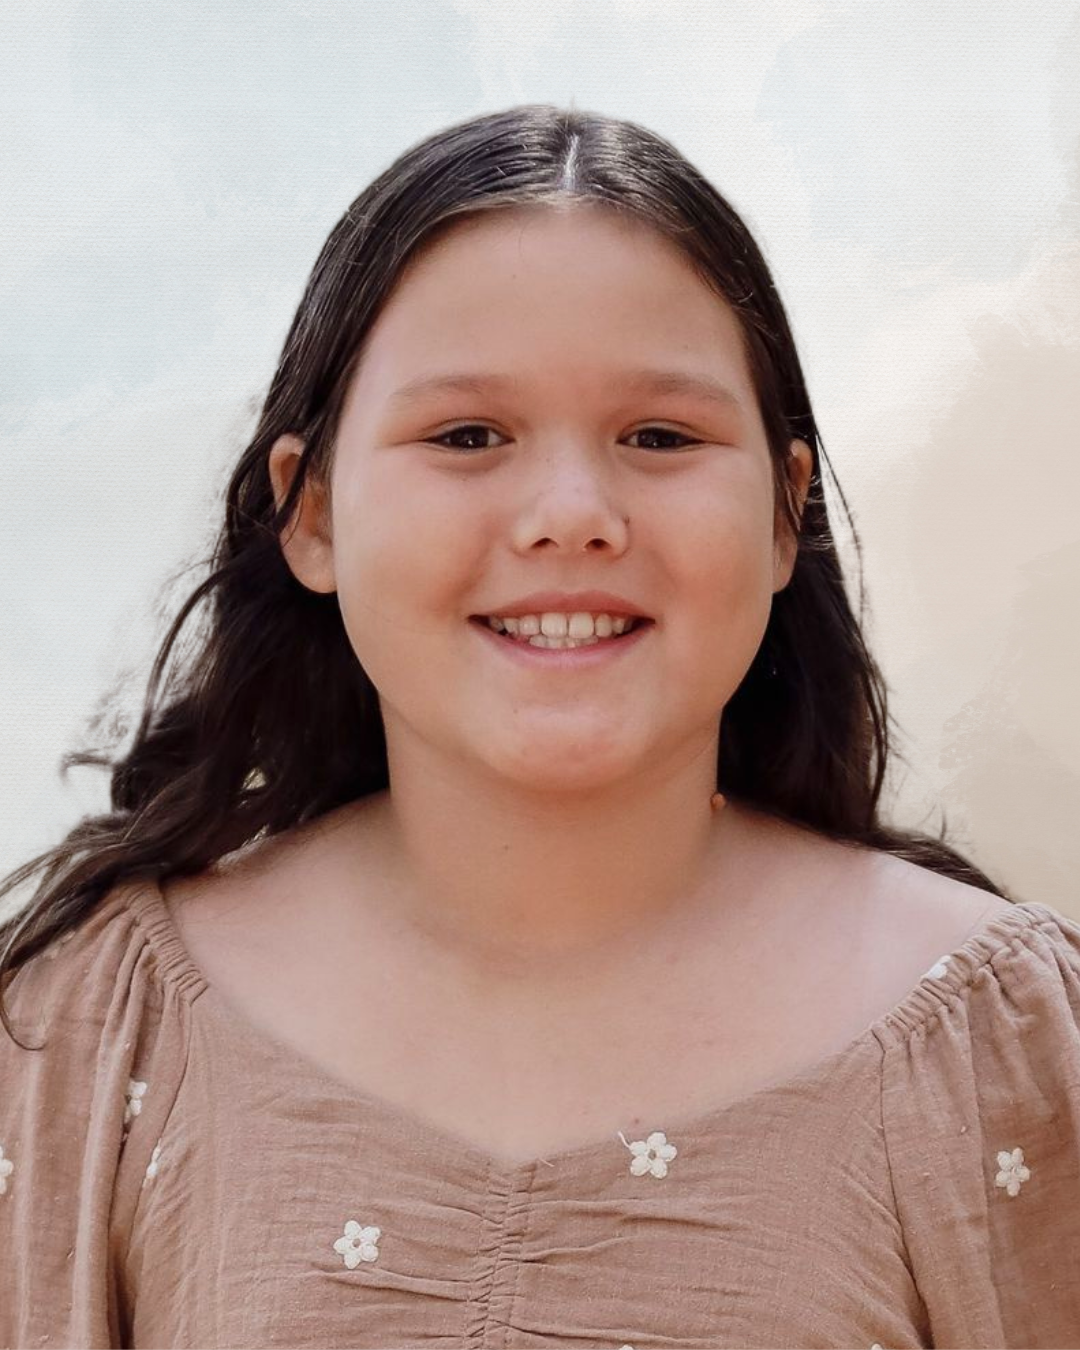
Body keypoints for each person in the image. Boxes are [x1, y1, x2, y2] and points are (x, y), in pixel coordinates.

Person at [0, 103, 1077, 1350]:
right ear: (312, 514)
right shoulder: (88, 1034)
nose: (572, 514)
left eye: (659, 437)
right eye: (468, 436)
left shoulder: (1000, 1042)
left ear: (786, 516)